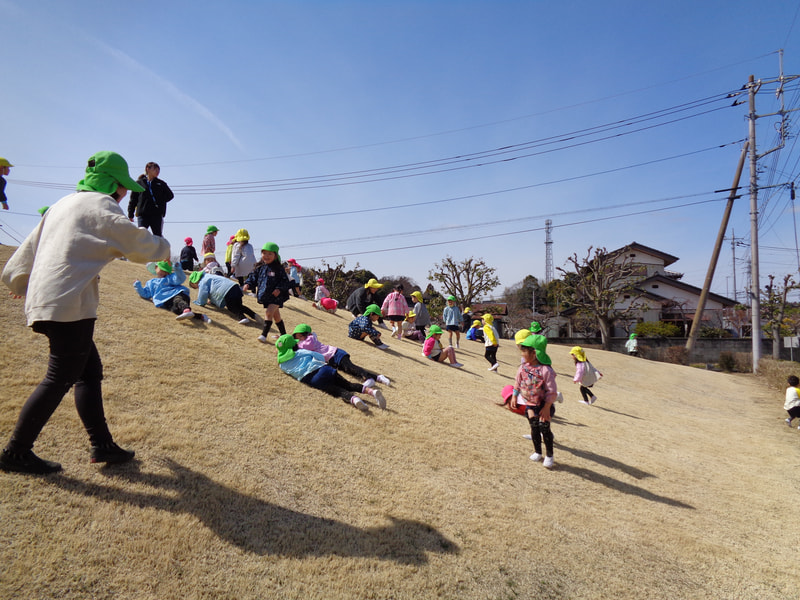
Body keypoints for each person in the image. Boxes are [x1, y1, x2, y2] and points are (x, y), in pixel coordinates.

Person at [0, 151, 171, 474]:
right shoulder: (101, 206)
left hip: (50, 300)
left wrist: (20, 282)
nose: (124, 195)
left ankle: (102, 444)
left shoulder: (61, 205)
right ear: (113, 185)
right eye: (122, 188)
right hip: (70, 302)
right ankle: (16, 451)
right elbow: (137, 244)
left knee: (87, 371)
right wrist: (163, 248)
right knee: (60, 376)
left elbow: (28, 251)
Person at [276, 334, 382, 412]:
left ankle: (354, 399)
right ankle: (371, 392)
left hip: (311, 378)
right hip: (323, 369)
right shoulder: (300, 352)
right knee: (348, 384)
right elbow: (320, 357)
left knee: (338, 391)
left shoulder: (282, 365)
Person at [293, 323, 390, 400]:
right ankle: (378, 377)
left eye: (300, 337)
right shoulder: (306, 340)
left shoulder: (310, 339)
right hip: (332, 359)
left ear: (307, 334)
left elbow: (303, 346)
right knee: (349, 369)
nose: (299, 340)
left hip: (336, 354)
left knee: (350, 367)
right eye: (297, 338)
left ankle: (369, 378)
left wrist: (292, 345)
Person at [510, 335, 558, 468]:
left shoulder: (545, 370)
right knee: (534, 427)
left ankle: (549, 455)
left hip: (544, 405)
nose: (522, 354)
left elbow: (552, 390)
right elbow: (517, 381)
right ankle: (538, 452)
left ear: (534, 353)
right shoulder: (523, 367)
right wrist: (515, 395)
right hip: (530, 405)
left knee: (544, 428)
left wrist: (547, 406)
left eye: (524, 351)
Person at [243, 242, 291, 343]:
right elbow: (253, 277)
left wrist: (279, 289)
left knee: (269, 313)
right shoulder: (260, 267)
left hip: (277, 296)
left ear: (275, 255)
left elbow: (285, 281)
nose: (267, 256)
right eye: (264, 253)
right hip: (266, 295)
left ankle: (263, 335)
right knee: (276, 316)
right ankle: (284, 336)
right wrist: (248, 284)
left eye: (270, 254)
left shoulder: (279, 269)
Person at [134, 260, 211, 323]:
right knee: (176, 310)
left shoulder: (170, 278)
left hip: (178, 294)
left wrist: (177, 268)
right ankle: (201, 316)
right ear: (156, 268)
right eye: (160, 268)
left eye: (165, 270)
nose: (163, 271)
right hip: (165, 301)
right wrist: (138, 285)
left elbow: (180, 278)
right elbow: (145, 294)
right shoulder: (151, 283)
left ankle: (186, 310)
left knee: (178, 301)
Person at [189, 271, 257, 325]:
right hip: (235, 286)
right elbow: (214, 290)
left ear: (194, 281)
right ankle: (254, 315)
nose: (197, 287)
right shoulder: (209, 276)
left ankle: (243, 318)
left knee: (231, 307)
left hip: (226, 290)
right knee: (239, 306)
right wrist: (212, 302)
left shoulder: (202, 281)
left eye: (195, 286)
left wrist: (199, 302)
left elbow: (203, 293)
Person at [127, 162, 173, 237]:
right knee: (141, 236)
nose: (157, 171)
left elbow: (170, 195)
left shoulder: (161, 184)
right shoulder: (139, 183)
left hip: (156, 214)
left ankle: (158, 249)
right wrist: (130, 213)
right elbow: (133, 199)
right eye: (155, 169)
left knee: (158, 236)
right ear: (147, 169)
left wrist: (160, 201)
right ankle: (141, 249)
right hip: (143, 214)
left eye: (158, 170)